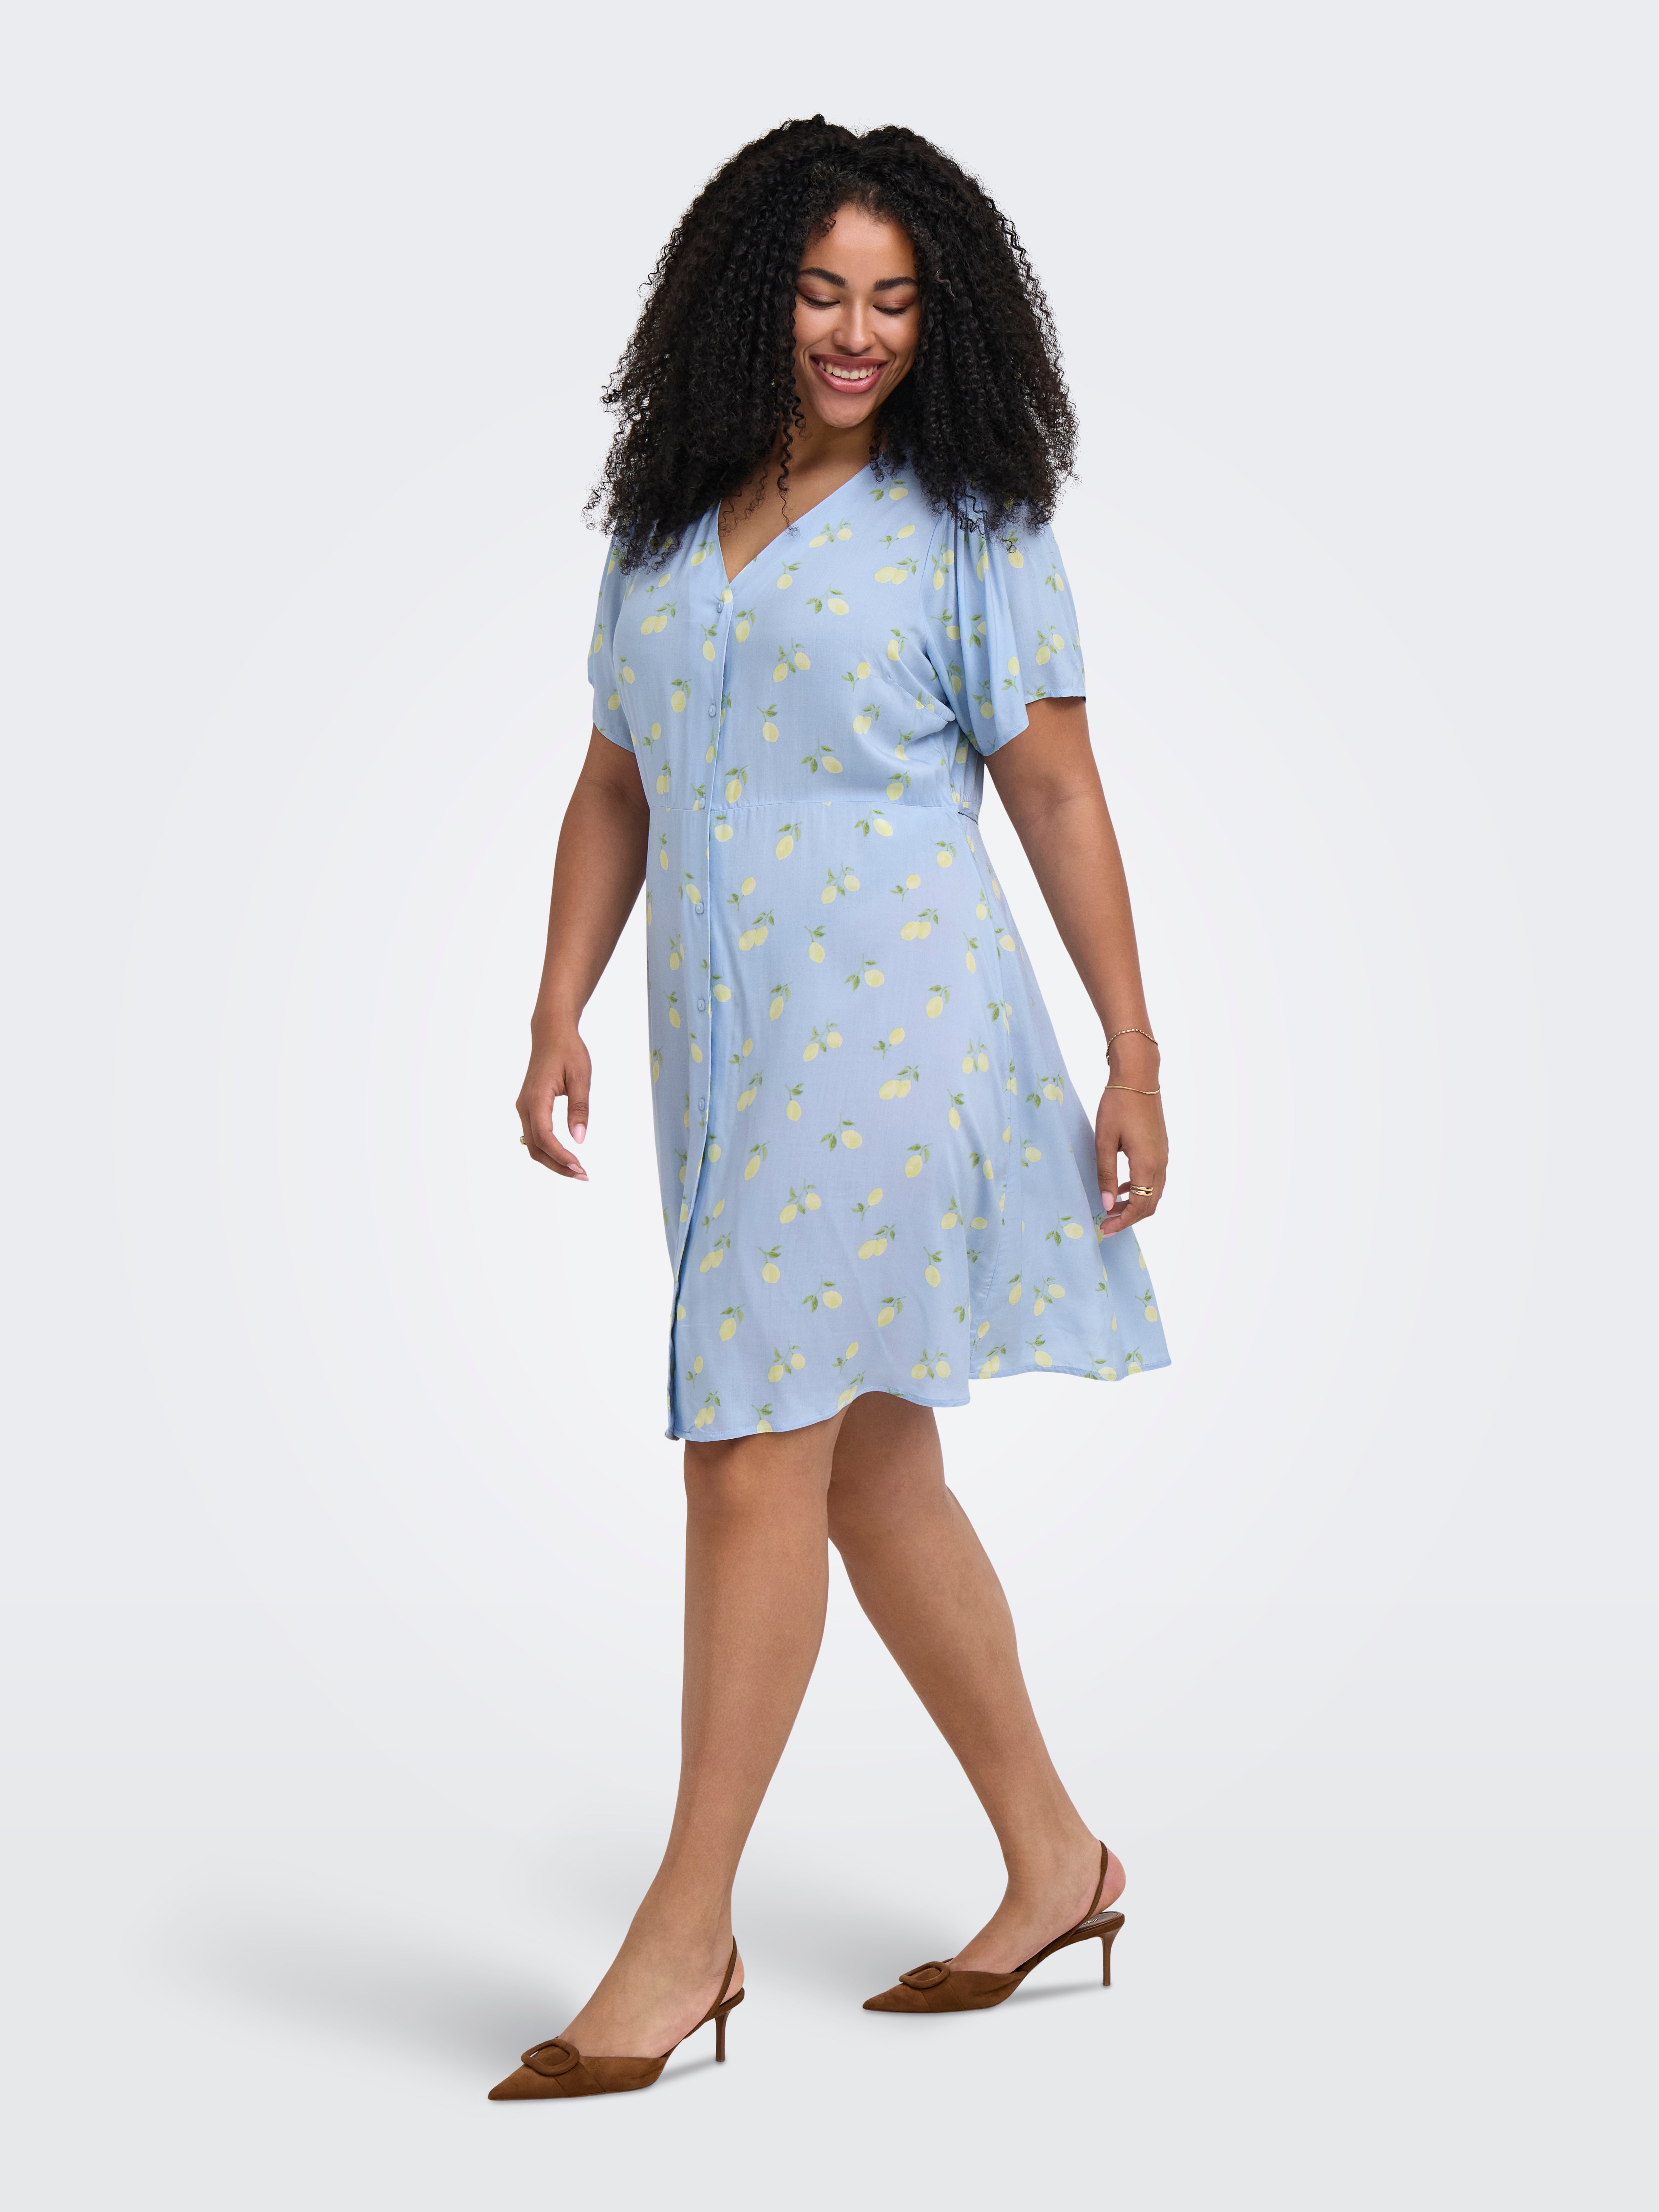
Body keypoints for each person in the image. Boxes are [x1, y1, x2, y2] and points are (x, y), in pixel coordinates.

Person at [494, 117, 1170, 2103]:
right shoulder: (664, 521)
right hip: (725, 1048)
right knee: (869, 1469)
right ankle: (1057, 1856)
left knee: (747, 1456)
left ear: (940, 318)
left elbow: (1057, 788)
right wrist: (555, 1002)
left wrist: (1134, 1044)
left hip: (894, 1036)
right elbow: (614, 780)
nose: (857, 333)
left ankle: (684, 1930)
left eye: (892, 300)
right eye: (819, 293)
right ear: (748, 298)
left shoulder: (971, 524)